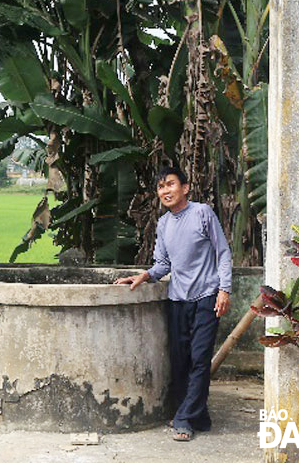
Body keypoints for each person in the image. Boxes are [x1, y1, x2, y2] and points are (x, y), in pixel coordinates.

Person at [114, 166, 231, 442]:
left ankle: (183, 419)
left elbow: (222, 251)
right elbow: (163, 263)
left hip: (207, 297)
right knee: (180, 361)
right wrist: (144, 275)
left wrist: (224, 289)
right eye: (160, 187)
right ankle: (197, 415)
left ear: (185, 188)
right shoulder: (164, 223)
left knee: (200, 359)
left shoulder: (202, 213)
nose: (165, 191)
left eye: (170, 184)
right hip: (177, 299)